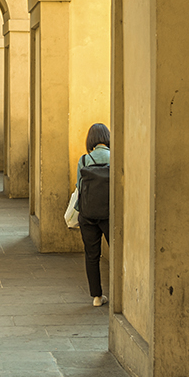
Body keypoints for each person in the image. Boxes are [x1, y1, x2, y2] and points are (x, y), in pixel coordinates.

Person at [74, 123, 111, 306]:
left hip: (88, 213)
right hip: (110, 213)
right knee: (118, 252)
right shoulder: (115, 158)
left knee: (91, 255)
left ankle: (97, 296)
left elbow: (79, 187)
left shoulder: (84, 159)